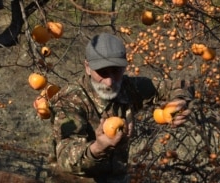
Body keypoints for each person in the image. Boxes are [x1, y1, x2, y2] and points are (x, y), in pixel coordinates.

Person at [49, 32, 194, 183]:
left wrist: (180, 101)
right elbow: (65, 155)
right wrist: (98, 148)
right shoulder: (68, 100)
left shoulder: (128, 87)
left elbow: (179, 85)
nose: (110, 82)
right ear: (87, 67)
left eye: (116, 71)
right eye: (102, 73)